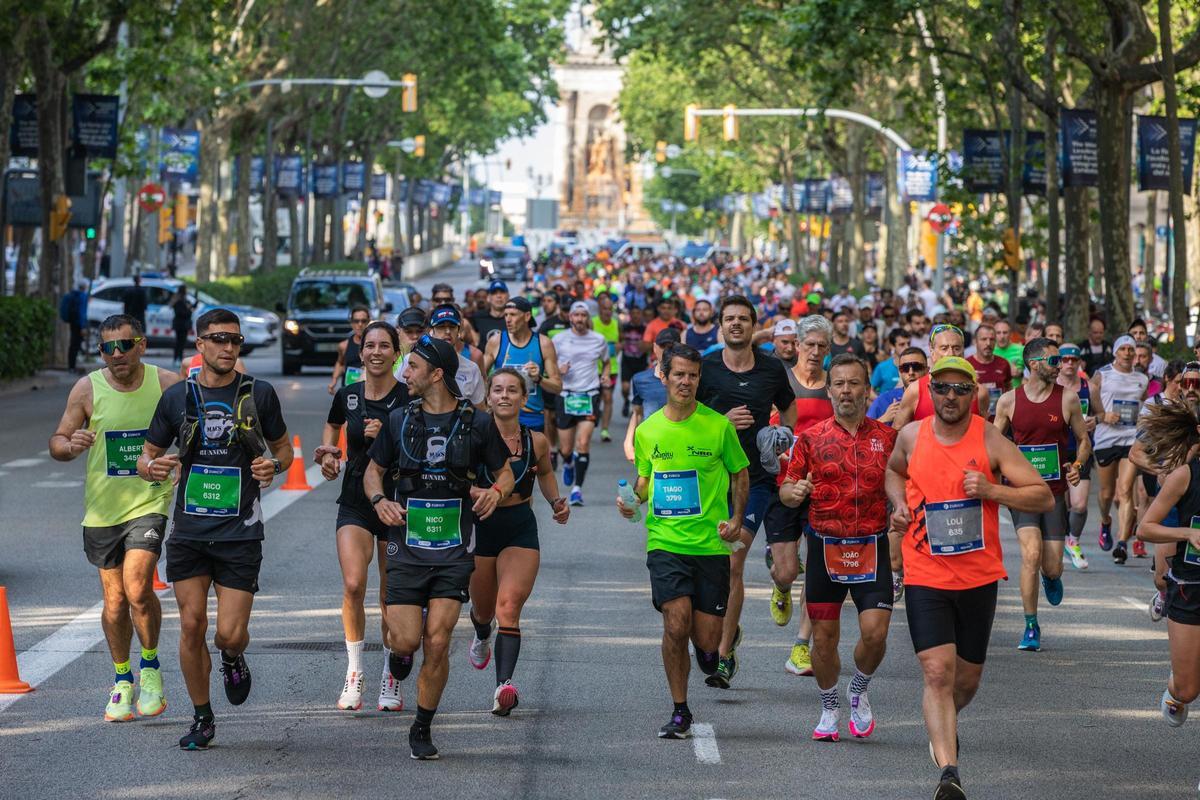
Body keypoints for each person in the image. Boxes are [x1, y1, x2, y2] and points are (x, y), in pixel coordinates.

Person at [886, 356, 1053, 800]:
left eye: (962, 390)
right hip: (925, 571)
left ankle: (942, 726)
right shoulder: (910, 436)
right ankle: (949, 772)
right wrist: (898, 504)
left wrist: (992, 490)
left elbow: (1041, 496)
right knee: (937, 673)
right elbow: (893, 471)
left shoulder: (990, 438)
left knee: (965, 682)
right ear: (931, 389)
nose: (951, 397)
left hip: (978, 576)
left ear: (974, 394)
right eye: (943, 388)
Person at [139, 308, 294, 750]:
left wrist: (272, 465)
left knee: (228, 632)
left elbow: (282, 450)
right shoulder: (177, 399)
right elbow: (145, 457)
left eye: (235, 341)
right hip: (188, 531)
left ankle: (231, 656)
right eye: (219, 339)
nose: (228, 348)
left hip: (240, 532)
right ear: (200, 344)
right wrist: (154, 468)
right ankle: (202, 717)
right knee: (190, 625)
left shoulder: (258, 394)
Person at [364, 335, 514, 759]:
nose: (403, 373)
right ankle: (399, 656)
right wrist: (380, 501)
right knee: (407, 640)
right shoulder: (398, 420)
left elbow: (505, 472)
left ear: (436, 374)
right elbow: (372, 472)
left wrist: (496, 494)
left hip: (452, 549)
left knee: (438, 639)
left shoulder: (477, 423)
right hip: (406, 548)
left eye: (411, 367)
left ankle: (422, 726)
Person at [49, 314, 180, 722]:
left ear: (142, 344)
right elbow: (57, 441)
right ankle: (123, 678)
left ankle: (151, 669)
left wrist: (177, 460)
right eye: (108, 348)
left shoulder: (167, 384)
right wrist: (70, 446)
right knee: (114, 600)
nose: (117, 354)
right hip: (103, 510)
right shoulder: (88, 388)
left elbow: (197, 432)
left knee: (139, 587)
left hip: (150, 501)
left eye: (125, 345)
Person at [618, 343, 749, 739]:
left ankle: (716, 649)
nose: (686, 381)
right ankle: (680, 709)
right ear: (664, 375)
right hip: (665, 542)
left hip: (710, 545)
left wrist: (737, 518)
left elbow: (740, 474)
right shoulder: (647, 431)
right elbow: (644, 482)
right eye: (679, 374)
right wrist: (632, 501)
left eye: (693, 375)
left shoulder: (718, 427)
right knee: (676, 623)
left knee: (707, 645)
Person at [781, 353, 897, 741]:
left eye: (854, 383)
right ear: (829, 390)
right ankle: (830, 704)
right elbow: (786, 487)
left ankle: (858, 689)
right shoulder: (811, 439)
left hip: (872, 547)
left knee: (876, 633)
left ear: (868, 390)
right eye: (840, 384)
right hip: (826, 550)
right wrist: (793, 492)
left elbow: (907, 483)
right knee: (825, 639)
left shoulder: (888, 438)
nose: (847, 390)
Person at [697, 296, 796, 688]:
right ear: (721, 326)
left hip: (754, 481)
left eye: (743, 319)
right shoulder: (705, 369)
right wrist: (720, 422)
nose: (736, 324)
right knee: (712, 566)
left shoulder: (771, 369)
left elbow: (789, 410)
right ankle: (724, 632)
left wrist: (782, 437)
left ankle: (723, 656)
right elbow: (686, 415)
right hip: (709, 480)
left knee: (734, 563)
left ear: (755, 326)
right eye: (729, 319)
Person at [317, 321, 410, 712]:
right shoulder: (349, 395)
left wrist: (386, 435)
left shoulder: (408, 398)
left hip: (396, 502)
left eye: (384, 346)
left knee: (391, 593)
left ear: (395, 353)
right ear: (361, 352)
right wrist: (326, 453)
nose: (375, 352)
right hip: (355, 497)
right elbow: (333, 426)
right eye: (369, 345)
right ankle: (354, 673)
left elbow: (418, 451)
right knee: (354, 584)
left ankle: (391, 675)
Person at [467, 367, 570, 715]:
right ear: (488, 398)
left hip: (519, 526)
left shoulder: (536, 440)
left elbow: (546, 473)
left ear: (525, 399)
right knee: (483, 611)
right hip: (480, 525)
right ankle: (481, 633)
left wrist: (556, 501)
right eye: (497, 390)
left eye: (513, 390)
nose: (505, 396)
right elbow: (454, 478)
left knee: (508, 607)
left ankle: (503, 687)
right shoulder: (472, 436)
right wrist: (475, 491)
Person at [992, 339, 1091, 652]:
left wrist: (1076, 465)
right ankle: (1031, 625)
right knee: (1030, 554)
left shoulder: (1069, 399)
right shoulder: (1008, 402)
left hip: (1053, 493)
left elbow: (1084, 441)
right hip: (1021, 492)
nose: (1060, 364)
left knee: (1052, 566)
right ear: (1033, 364)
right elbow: (994, 445)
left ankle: (1051, 576)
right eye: (1054, 360)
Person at [765, 315, 832, 677]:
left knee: (818, 568)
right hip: (784, 482)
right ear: (798, 345)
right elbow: (768, 428)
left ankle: (801, 647)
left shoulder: (833, 386)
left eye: (823, 346)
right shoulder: (783, 381)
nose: (815, 352)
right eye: (810, 345)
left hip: (822, 486)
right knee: (789, 570)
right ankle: (780, 585)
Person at [1135, 400, 1200, 728]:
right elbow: (1145, 527)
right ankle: (1176, 687)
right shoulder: (1185, 475)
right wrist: (1187, 532)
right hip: (1191, 587)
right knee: (1189, 689)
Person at [1090, 335, 1149, 564]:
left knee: (1124, 491)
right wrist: (1103, 416)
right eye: (1122, 349)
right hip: (1106, 438)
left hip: (1130, 438)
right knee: (1106, 493)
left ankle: (1122, 543)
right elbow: (1091, 408)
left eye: (1130, 350)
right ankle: (1105, 520)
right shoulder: (1102, 375)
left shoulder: (1141, 379)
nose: (1127, 353)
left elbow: (1143, 403)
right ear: (1115, 352)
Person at [552, 302, 611, 506]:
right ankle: (568, 463)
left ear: (587, 318)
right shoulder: (558, 339)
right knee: (566, 449)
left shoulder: (598, 339)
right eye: (575, 315)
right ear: (570, 317)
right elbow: (549, 366)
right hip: (566, 395)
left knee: (583, 443)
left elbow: (607, 362)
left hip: (589, 395)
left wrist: (604, 375)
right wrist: (558, 370)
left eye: (582, 315)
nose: (579, 319)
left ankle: (577, 489)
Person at [484, 297, 563, 433]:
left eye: (513, 315)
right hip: (501, 415)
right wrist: (487, 403)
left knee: (531, 454)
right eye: (506, 315)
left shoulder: (543, 344)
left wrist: (538, 378)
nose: (508, 319)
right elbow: (479, 377)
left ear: (527, 316)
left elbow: (557, 387)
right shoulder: (496, 342)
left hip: (532, 416)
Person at [892, 325, 989, 430]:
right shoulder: (915, 391)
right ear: (932, 351)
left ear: (963, 351)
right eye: (944, 348)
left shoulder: (980, 393)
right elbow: (896, 433)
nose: (951, 354)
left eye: (957, 348)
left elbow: (985, 435)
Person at [394, 305, 486, 408]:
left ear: (459, 331)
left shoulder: (471, 368)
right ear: (431, 331)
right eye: (441, 326)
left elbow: (480, 409)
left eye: (452, 327)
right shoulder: (410, 360)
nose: (447, 331)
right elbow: (395, 392)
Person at [1057, 344, 1096, 570]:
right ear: (1059, 362)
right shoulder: (1051, 388)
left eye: (1074, 359)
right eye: (1065, 360)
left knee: (1079, 505)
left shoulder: (1089, 387)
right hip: (1058, 450)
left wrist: (1096, 420)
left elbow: (1100, 413)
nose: (1070, 364)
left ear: (1080, 361)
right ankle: (1058, 539)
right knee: (1059, 503)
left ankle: (1073, 541)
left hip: (1081, 448)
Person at [624, 327, 679, 462]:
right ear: (655, 348)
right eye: (662, 346)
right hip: (652, 445)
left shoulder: (691, 379)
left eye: (671, 346)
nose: (666, 351)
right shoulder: (640, 379)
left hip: (682, 442)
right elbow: (637, 412)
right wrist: (628, 442)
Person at [868, 347, 927, 426]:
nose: (911, 372)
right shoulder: (884, 400)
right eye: (905, 368)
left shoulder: (937, 399)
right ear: (899, 372)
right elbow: (863, 433)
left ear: (927, 371)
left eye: (916, 367)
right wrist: (884, 419)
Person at [966, 323, 1012, 419]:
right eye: (983, 339)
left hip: (1000, 420)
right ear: (975, 341)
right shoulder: (967, 365)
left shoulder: (1003, 363)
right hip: (974, 420)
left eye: (992, 339)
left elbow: (1009, 389)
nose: (988, 343)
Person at [592, 291, 621, 442]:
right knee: (595, 400)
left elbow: (621, 341)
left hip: (612, 368)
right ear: (600, 309)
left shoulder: (617, 324)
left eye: (610, 309)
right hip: (593, 368)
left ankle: (604, 430)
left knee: (608, 398)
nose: (608, 312)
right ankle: (594, 417)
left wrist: (618, 347)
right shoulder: (592, 322)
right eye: (605, 309)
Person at [329, 306, 371, 394]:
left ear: (368, 322)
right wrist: (334, 381)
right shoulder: (343, 346)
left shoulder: (375, 345)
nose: (360, 324)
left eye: (363, 321)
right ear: (351, 323)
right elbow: (340, 363)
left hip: (368, 391)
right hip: (348, 391)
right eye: (356, 321)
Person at [619, 305, 649, 417]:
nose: (635, 315)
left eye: (638, 313)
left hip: (641, 361)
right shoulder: (624, 327)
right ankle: (626, 401)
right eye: (633, 313)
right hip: (627, 360)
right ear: (630, 315)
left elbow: (649, 344)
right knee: (625, 387)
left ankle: (635, 408)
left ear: (641, 315)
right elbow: (620, 340)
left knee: (638, 388)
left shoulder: (645, 328)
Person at [60, 279, 91, 373]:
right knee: (76, 344)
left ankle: (71, 366)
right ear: (85, 286)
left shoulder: (73, 295)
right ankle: (73, 366)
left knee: (73, 344)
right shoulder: (83, 296)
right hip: (79, 324)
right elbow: (82, 312)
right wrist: (83, 327)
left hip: (73, 322)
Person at [871, 329, 912, 395]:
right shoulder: (882, 367)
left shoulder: (915, 366)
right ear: (892, 346)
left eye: (909, 343)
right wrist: (881, 402)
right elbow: (870, 390)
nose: (907, 347)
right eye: (902, 344)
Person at [171, 286, 193, 367]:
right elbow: (182, 313)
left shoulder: (180, 300)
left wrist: (191, 308)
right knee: (180, 342)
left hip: (180, 324)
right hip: (181, 324)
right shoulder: (180, 301)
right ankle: (178, 359)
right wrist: (190, 310)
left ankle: (177, 359)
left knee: (180, 342)